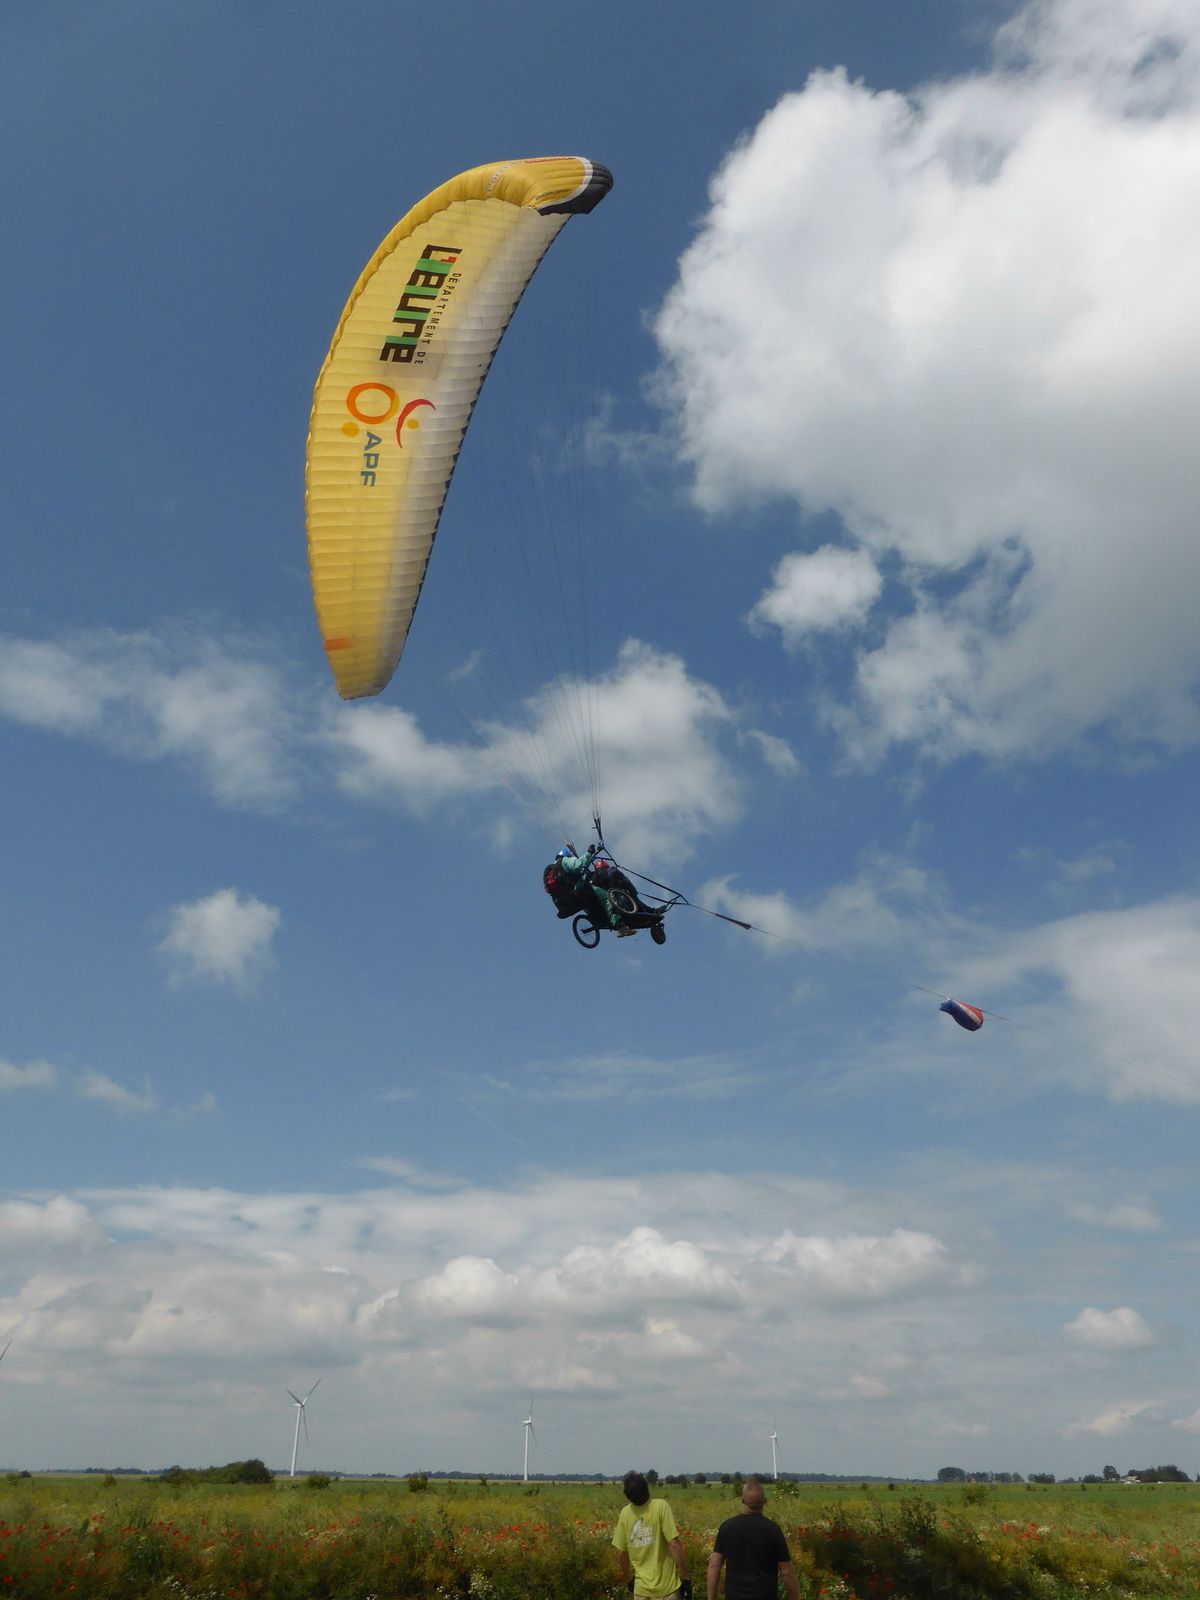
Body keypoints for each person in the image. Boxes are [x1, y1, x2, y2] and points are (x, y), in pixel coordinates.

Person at [706, 1478, 801, 1600]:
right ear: (764, 1501)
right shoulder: (773, 1530)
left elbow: (714, 1566)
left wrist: (711, 1598)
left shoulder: (727, 1527)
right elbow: (787, 1573)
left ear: (742, 1499)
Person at [613, 1469, 691, 1599]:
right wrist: (686, 1578)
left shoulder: (625, 1513)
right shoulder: (661, 1506)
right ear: (646, 1488)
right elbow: (674, 1544)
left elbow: (621, 1553)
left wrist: (629, 1579)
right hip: (668, 1589)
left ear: (627, 1495)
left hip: (641, 1591)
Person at [555, 845, 634, 935]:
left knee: (589, 904)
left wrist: (575, 853)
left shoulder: (553, 869)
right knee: (607, 897)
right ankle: (620, 927)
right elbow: (578, 865)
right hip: (580, 890)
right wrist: (589, 852)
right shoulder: (565, 861)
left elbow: (579, 869)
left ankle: (598, 919)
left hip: (568, 899)